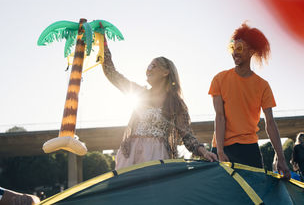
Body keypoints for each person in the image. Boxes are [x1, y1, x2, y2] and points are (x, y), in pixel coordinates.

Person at [102, 37, 217, 169]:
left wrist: (204, 152)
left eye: (153, 66)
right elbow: (112, 74)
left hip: (157, 156)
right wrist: (104, 44)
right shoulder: (139, 94)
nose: (148, 70)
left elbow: (187, 135)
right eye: (148, 67)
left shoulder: (176, 104)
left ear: (165, 72)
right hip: (131, 155)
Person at [208, 22, 290, 179]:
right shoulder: (219, 79)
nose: (234, 53)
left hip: (249, 149)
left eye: (239, 48)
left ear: (252, 51)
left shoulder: (263, 86)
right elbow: (220, 116)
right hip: (223, 148)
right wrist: (219, 151)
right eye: (233, 48)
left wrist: (281, 157)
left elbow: (270, 123)